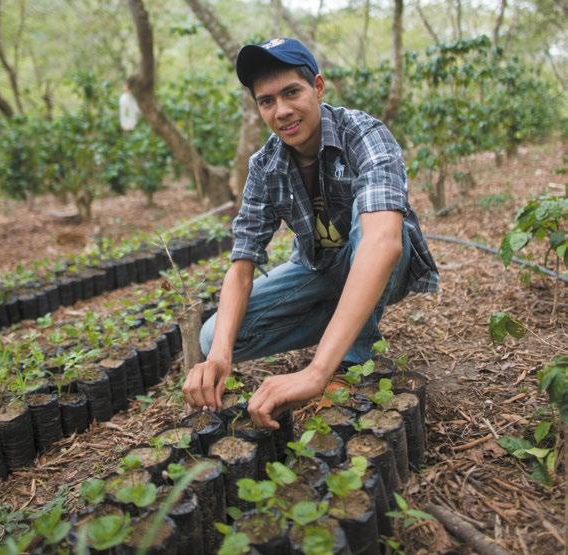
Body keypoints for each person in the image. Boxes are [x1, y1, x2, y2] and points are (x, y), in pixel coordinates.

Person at [183, 37, 438, 429]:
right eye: (267, 101)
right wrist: (218, 356)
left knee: (377, 220)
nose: (282, 111)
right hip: (317, 269)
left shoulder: (364, 134)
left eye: (291, 92)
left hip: (383, 261)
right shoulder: (265, 165)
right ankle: (346, 318)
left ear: (317, 87)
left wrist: (317, 371)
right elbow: (242, 265)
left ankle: (351, 357)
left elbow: (383, 241)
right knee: (215, 333)